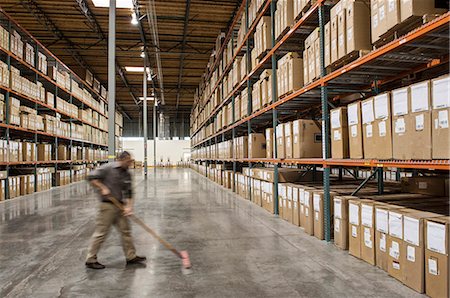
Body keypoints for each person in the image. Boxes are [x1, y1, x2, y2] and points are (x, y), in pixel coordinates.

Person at [85, 151, 146, 269]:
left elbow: (129, 192)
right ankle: (90, 259)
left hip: (120, 206)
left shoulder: (127, 174)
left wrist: (129, 207)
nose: (130, 164)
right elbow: (91, 177)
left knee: (126, 231)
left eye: (131, 161)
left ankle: (131, 256)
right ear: (121, 160)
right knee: (101, 233)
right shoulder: (108, 168)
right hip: (107, 206)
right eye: (128, 161)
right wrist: (102, 187)